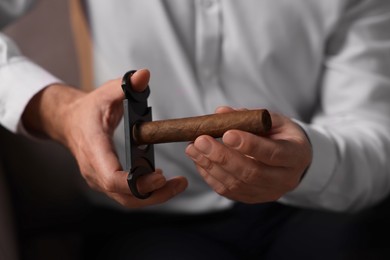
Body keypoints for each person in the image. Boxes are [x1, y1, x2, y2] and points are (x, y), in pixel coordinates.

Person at [1, 0, 390, 259]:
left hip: (308, 206)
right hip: (146, 215)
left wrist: (309, 160)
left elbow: (374, 129)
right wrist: (57, 108)